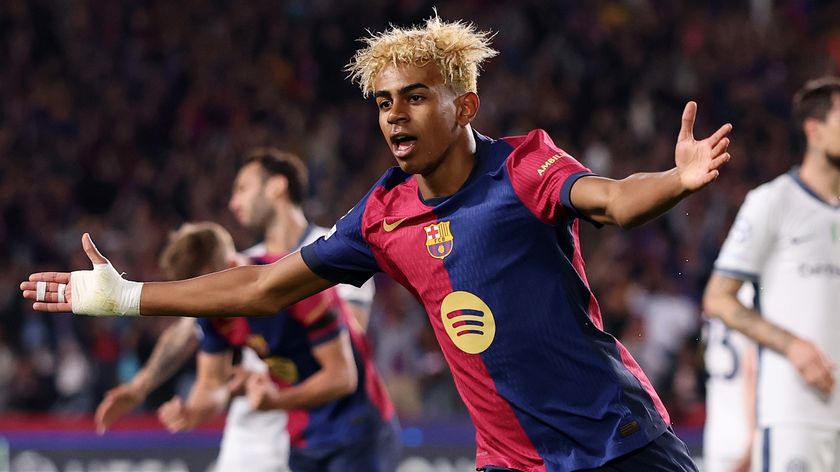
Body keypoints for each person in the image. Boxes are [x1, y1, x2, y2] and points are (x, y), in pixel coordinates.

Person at [22, 14, 732, 471]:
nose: (395, 115)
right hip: (512, 462)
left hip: (618, 442)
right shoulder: (381, 215)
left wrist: (675, 179)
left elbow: (611, 200)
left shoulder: (523, 168)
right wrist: (128, 296)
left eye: (416, 96)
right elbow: (261, 284)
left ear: (466, 107)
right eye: (385, 102)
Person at [93, 148, 375, 471]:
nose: (233, 202)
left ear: (276, 187)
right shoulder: (242, 266)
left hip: (326, 424)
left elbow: (349, 343)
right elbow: (188, 328)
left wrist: (268, 375)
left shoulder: (336, 250)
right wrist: (141, 385)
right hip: (253, 431)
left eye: (242, 188)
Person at [155, 222, 398, 472]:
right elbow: (211, 384)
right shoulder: (211, 309)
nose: (201, 307)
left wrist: (276, 401)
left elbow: (342, 378)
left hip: (357, 429)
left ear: (229, 267)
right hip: (303, 434)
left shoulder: (293, 282)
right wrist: (191, 412)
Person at [702, 76, 840, 472]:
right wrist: (792, 345)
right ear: (814, 131)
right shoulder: (772, 202)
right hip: (793, 418)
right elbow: (719, 298)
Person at [702, 286, 756, 472]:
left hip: (717, 432)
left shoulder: (716, 291)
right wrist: (753, 436)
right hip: (746, 429)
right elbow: (752, 367)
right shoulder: (752, 290)